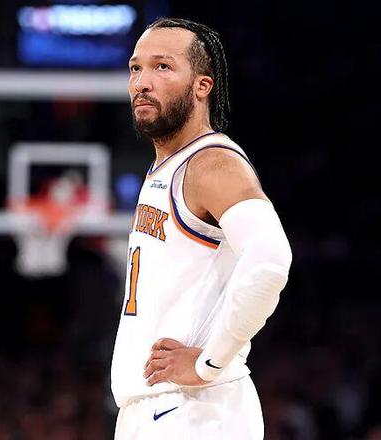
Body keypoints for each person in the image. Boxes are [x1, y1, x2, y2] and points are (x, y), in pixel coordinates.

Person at [110, 17, 292, 439]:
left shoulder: (212, 163)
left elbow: (270, 261)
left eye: (162, 66)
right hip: (158, 409)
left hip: (191, 409)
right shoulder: (167, 167)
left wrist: (210, 361)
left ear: (202, 86)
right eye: (136, 68)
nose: (142, 82)